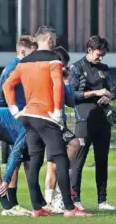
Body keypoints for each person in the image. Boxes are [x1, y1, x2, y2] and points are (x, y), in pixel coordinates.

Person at [2, 26, 92, 217]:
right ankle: (69, 208)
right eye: (54, 40)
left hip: (29, 117)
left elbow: (7, 85)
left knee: (35, 161)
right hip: (47, 116)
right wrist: (58, 112)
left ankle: (37, 208)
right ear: (49, 40)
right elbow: (58, 85)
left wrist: (15, 111)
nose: (55, 43)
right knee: (60, 160)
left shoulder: (23, 62)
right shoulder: (54, 60)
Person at [68, 36, 116, 211]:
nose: (101, 58)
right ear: (89, 50)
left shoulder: (104, 69)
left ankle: (102, 201)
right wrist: (96, 92)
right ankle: (75, 200)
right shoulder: (76, 68)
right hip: (84, 120)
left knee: (102, 160)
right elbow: (72, 95)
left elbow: (114, 89)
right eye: (99, 54)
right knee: (78, 161)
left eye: (103, 54)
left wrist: (109, 95)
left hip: (103, 119)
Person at [0, 35, 37, 213]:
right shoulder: (12, 69)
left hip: (25, 120)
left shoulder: (25, 68)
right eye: (32, 53)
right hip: (13, 122)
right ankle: (12, 204)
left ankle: (36, 200)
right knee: (16, 161)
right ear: (22, 51)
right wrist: (10, 116)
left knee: (27, 160)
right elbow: (2, 97)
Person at [43, 46, 80, 212]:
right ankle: (53, 200)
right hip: (51, 123)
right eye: (65, 63)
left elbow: (70, 102)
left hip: (56, 124)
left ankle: (50, 201)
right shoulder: (51, 77)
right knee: (55, 164)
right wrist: (66, 82)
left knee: (55, 163)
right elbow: (71, 100)